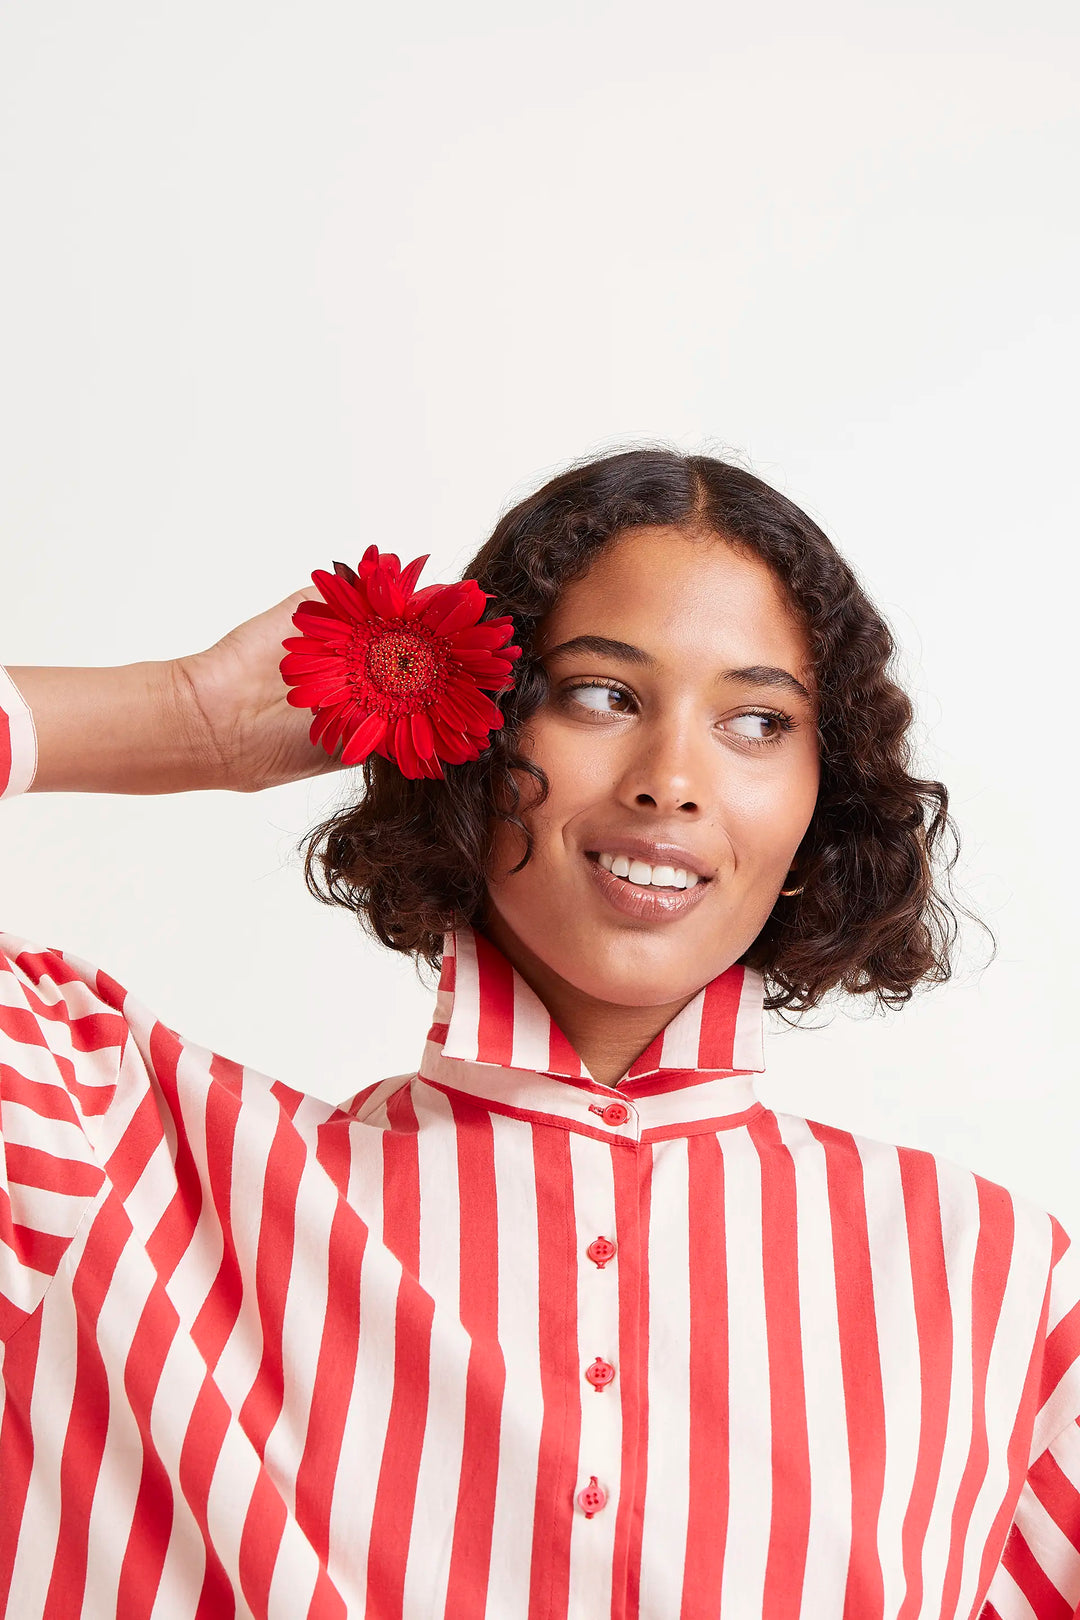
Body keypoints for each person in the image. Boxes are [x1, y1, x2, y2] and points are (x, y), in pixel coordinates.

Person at [0, 447, 1077, 1620]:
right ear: (481, 735)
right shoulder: (110, 1162)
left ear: (829, 795)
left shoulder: (1007, 1284)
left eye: (758, 720)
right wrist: (187, 719)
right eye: (602, 694)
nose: (671, 779)